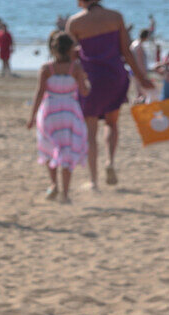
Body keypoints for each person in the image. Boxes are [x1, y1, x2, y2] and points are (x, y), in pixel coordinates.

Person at [66, 0, 154, 188]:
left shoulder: (74, 23)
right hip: (116, 76)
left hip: (91, 80)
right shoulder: (115, 17)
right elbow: (127, 52)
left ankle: (93, 181)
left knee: (91, 131)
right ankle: (110, 162)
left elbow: (70, 57)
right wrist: (141, 77)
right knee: (112, 123)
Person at [28, 31, 89, 204]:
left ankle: (54, 184)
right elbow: (84, 91)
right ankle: (65, 192)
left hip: (50, 111)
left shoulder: (46, 69)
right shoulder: (76, 68)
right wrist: (87, 83)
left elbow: (39, 94)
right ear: (70, 49)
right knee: (67, 150)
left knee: (50, 147)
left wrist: (32, 116)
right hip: (69, 111)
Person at [131, 29, 150, 103]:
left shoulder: (134, 43)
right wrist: (143, 73)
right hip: (139, 70)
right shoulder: (138, 45)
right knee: (141, 89)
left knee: (138, 88)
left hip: (134, 69)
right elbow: (140, 61)